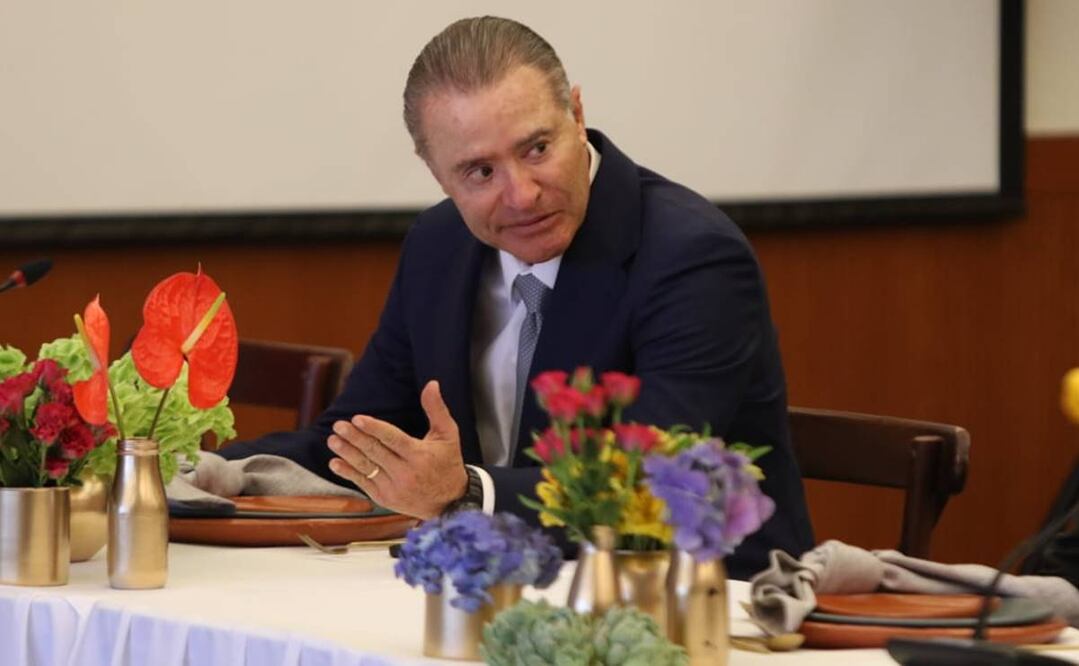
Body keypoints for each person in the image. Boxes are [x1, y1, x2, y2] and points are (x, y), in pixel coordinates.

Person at [221, 16, 813, 578]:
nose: (523, 194)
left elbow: (652, 483)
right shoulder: (438, 246)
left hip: (707, 604)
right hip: (503, 585)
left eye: (537, 149)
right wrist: (200, 476)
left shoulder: (693, 258)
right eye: (480, 172)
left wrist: (465, 492)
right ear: (436, 173)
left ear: (577, 115)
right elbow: (362, 441)